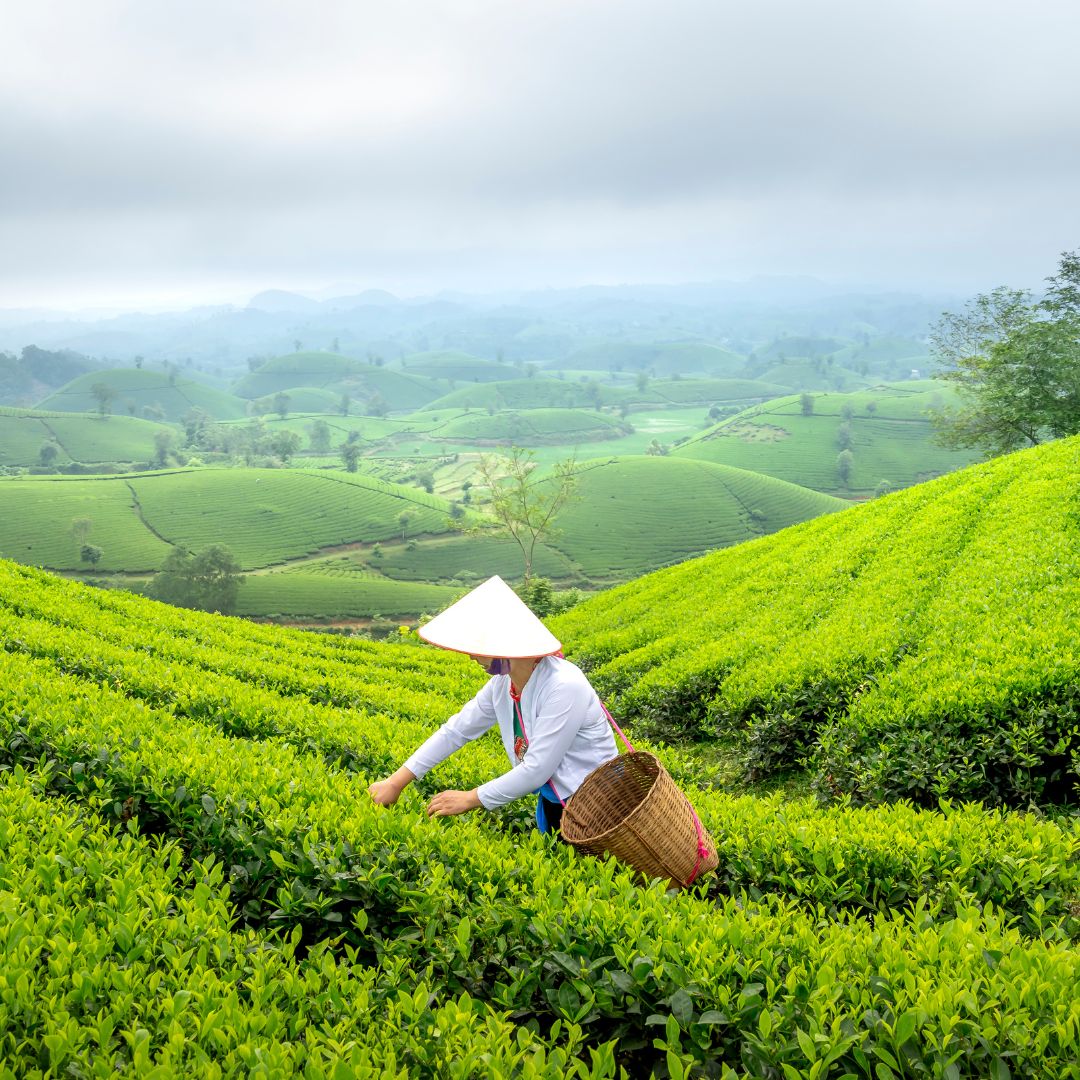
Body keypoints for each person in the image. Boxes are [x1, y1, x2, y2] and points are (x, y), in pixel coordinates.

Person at [367, 575, 618, 834]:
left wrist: (470, 798)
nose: (472, 655)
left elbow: (537, 769)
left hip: (601, 807)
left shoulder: (564, 686)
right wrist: (396, 782)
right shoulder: (503, 685)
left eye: (479, 646)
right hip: (559, 803)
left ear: (505, 645)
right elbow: (457, 730)